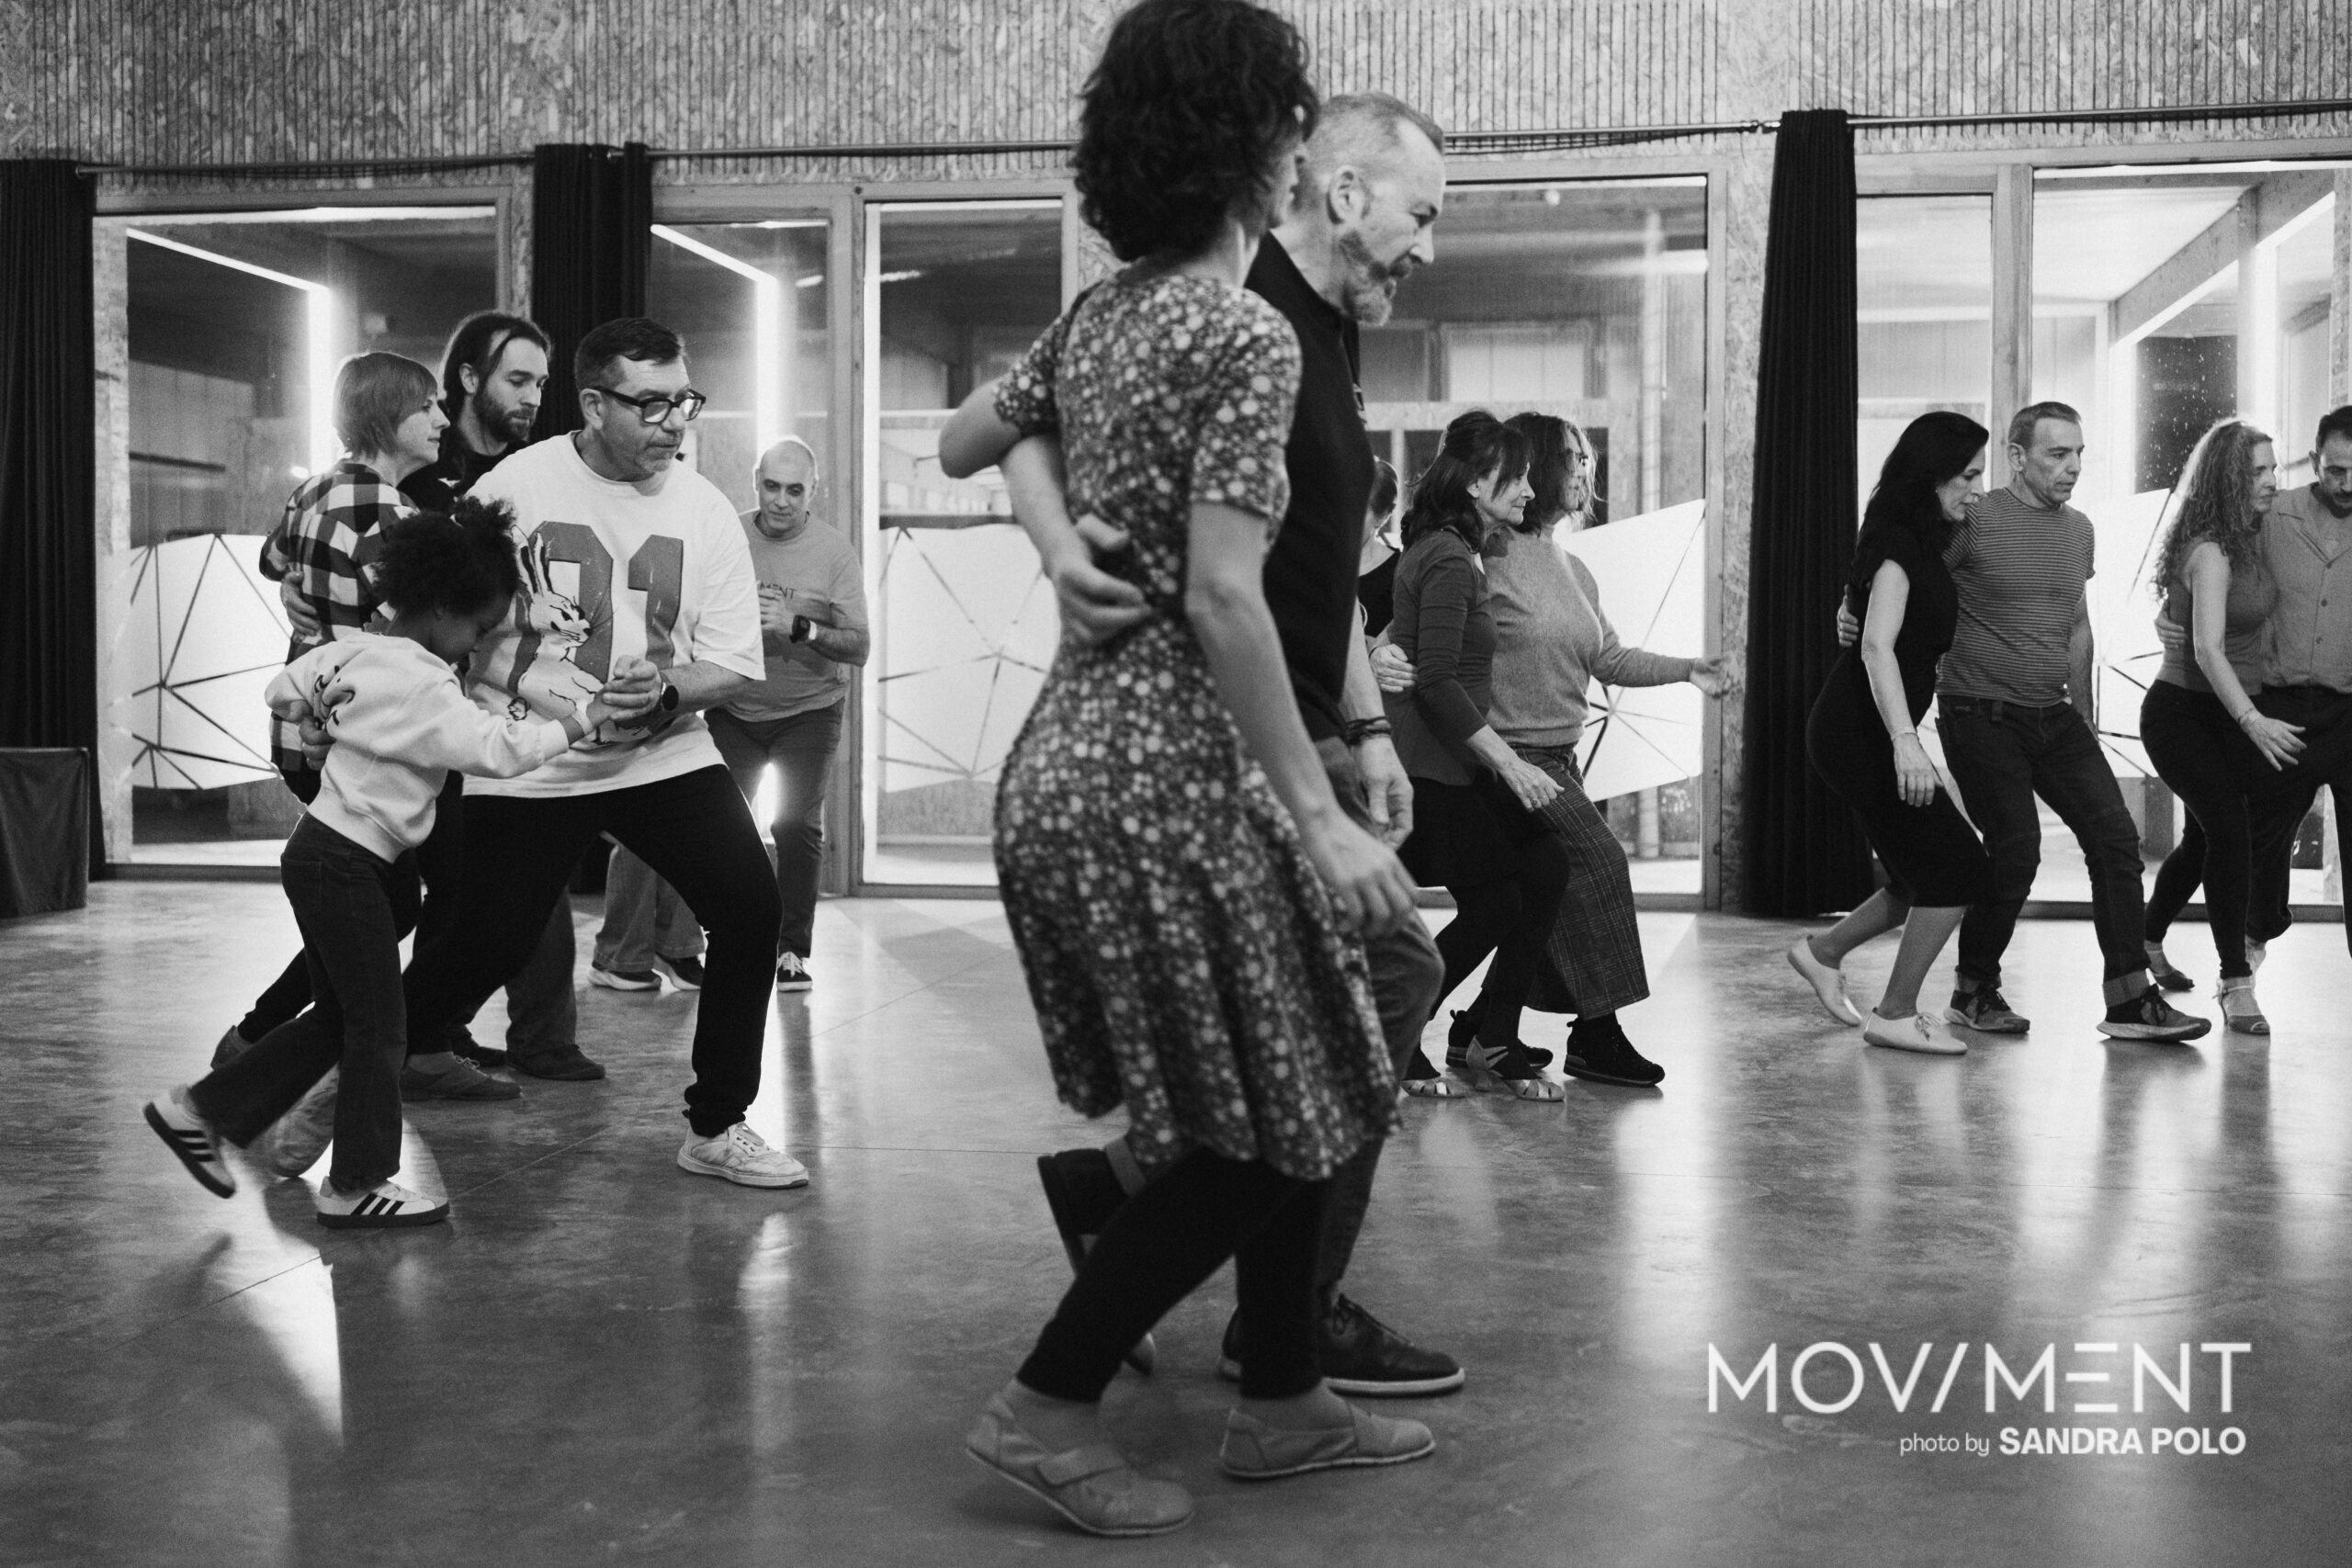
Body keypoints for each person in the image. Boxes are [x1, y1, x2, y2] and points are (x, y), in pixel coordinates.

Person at [938, 2, 1434, 1536]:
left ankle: (1281, 1392)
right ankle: (1047, 1400)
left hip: (1081, 764)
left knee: (1302, 1077)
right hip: (1174, 774)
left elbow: (964, 437)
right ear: (1269, 152)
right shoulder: (1242, 331)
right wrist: (1321, 810)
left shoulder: (1104, 313)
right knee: (1278, 1109)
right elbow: (1229, 596)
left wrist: (1053, 533)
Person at [389, 314, 805, 1188]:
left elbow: (733, 662)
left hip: (662, 752)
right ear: (592, 403)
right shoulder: (515, 488)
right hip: (536, 754)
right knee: (481, 949)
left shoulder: (705, 510)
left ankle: (717, 1124)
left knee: (750, 906)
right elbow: (441, 619)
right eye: (650, 404)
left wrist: (666, 692)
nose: (673, 422)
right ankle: (313, 1065)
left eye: (683, 401)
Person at [144, 503, 612, 1227]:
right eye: (480, 627)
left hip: (324, 853)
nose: (479, 644)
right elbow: (497, 750)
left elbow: (282, 688)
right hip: (347, 862)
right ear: (441, 607)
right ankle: (356, 1182)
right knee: (380, 1026)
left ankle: (199, 1111)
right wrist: (583, 719)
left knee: (344, 1019)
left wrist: (316, 718)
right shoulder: (424, 681)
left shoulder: (357, 651)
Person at [1385, 412, 1735, 1088]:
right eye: (1572, 457)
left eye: (1586, 458)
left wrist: (1687, 669)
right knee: (1596, 865)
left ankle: (1482, 1025)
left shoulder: (1571, 567)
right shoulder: (1483, 551)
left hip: (1559, 759)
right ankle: (1592, 1033)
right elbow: (1416, 621)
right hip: (1509, 756)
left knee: (1543, 883)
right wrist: (1378, 651)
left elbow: (1609, 657)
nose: (1585, 469)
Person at [1847, 402, 2209, 1042]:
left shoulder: (2079, 531)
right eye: (2056, 454)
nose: (2072, 467)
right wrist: (1850, 607)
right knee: (2016, 849)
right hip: (1978, 711)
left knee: (2116, 841)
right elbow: (1901, 565)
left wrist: (2084, 714)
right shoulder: (1976, 520)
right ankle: (1973, 990)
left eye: (2078, 454)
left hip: (2054, 714)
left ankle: (2129, 1000)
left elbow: (2076, 624)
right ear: (2017, 457)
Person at [221, 352, 520, 1124]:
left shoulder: (314, 488)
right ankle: (390, 1044)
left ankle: (274, 1037)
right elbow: (418, 626)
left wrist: (304, 599)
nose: (442, 421)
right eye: (426, 407)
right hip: (371, 733)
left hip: (310, 722)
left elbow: (273, 559)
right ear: (388, 415)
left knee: (379, 904)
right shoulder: (393, 515)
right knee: (422, 896)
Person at [1790, 413, 1996, 1054]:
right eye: (1967, 476)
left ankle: (1823, 953)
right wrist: (1908, 743)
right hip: (1862, 733)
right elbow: (1877, 648)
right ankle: (1896, 1013)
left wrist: (1850, 605)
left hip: (1868, 728)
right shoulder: (1901, 547)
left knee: (1917, 873)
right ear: (1931, 475)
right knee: (1958, 868)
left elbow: (1876, 623)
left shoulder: (1917, 540)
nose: (1977, 490)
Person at [1383, 411, 1572, 1099]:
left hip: (1455, 759)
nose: (1529, 490)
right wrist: (1510, 763)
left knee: (1546, 864)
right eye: (1514, 477)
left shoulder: (1458, 550)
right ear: (1472, 484)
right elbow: (1435, 681)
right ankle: (1396, 1033)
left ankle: (1494, 1035)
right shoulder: (1445, 557)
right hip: (1432, 765)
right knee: (1495, 902)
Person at [2136, 420, 2298, 1032]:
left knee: (2205, 839)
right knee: (2229, 832)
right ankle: (2235, 981)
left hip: (2232, 710)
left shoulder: (2261, 535)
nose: (2271, 481)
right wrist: (2253, 720)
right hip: (2182, 713)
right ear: (2228, 481)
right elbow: (2206, 648)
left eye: (2273, 468)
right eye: (2257, 472)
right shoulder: (2210, 550)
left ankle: (2148, 936)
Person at [2241, 405, 2352, 970]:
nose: (2348, 484)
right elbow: (2225, 574)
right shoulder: (2274, 515)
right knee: (2263, 841)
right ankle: (2247, 956)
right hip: (2281, 708)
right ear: (2314, 461)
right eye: (2336, 471)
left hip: (2349, 713)